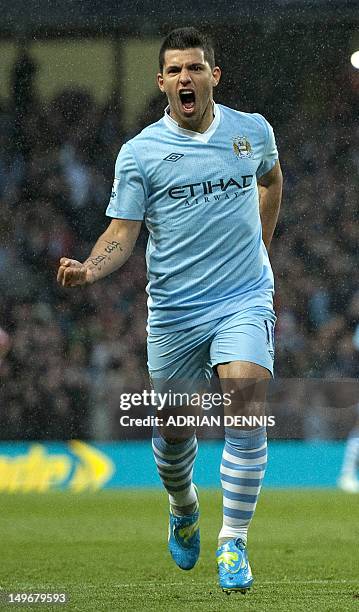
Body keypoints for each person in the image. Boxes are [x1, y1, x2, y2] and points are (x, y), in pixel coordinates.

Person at [57, 27, 282, 593]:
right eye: (176, 70)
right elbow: (121, 230)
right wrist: (90, 267)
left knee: (246, 407)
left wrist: (262, 247)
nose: (186, 78)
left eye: (195, 68)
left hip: (242, 297)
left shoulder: (250, 132)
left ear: (214, 76)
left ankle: (233, 543)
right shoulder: (140, 154)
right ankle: (184, 507)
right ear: (162, 82)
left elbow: (272, 180)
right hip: (177, 312)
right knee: (176, 435)